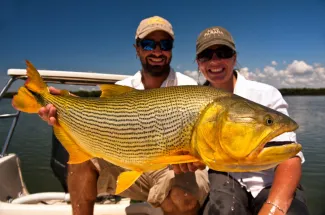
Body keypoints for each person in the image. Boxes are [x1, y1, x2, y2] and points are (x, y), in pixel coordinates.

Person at [38, 15, 209, 215]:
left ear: (171, 48)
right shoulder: (122, 89)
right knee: (81, 160)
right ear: (137, 48)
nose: (156, 51)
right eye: (148, 44)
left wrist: (199, 158)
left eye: (164, 44)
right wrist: (65, 111)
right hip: (128, 164)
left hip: (172, 169)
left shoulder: (188, 88)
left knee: (184, 198)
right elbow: (98, 118)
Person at [191, 26, 309, 215]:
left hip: (269, 180)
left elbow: (291, 156)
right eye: (206, 55)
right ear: (199, 63)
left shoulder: (266, 94)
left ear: (234, 58)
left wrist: (274, 207)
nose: (215, 61)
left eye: (223, 52)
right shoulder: (192, 102)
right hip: (222, 178)